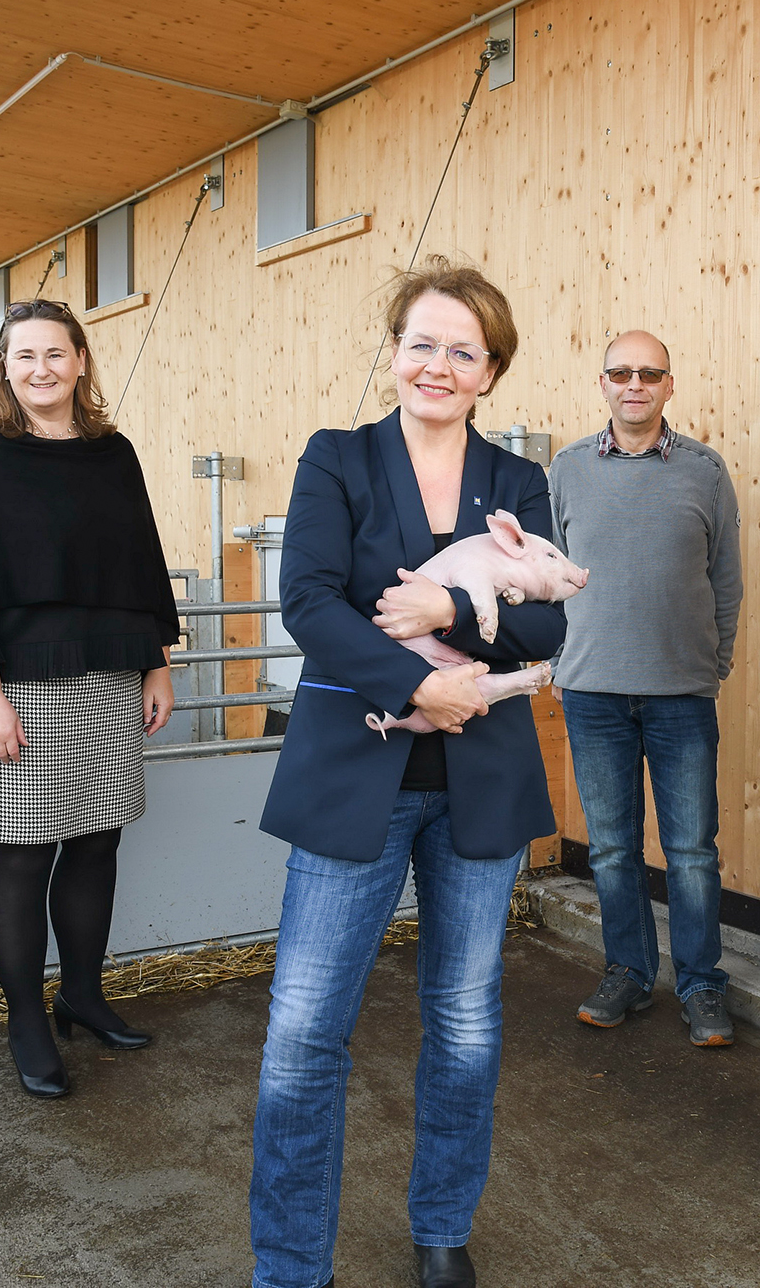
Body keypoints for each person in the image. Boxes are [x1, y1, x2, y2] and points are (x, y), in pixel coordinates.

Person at [251, 257, 566, 1288]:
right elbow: (306, 602)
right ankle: (292, 1265)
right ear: (393, 353)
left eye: (461, 351)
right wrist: (416, 680)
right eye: (420, 342)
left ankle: (440, 1226)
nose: (437, 364)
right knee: (304, 1031)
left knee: (465, 1021)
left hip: (478, 781)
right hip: (358, 771)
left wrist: (442, 615)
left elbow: (550, 615)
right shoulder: (336, 458)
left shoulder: (518, 482)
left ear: (489, 371)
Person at [0, 299, 180, 1100]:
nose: (41, 369)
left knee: (98, 841)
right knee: (24, 853)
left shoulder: (114, 455)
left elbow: (141, 569)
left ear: (81, 360)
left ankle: (83, 993)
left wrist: (158, 666)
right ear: (5, 367)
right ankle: (26, 1015)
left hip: (107, 679)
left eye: (55, 354)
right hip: (15, 687)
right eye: (23, 356)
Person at [548, 330, 743, 1046]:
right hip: (592, 694)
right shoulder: (566, 470)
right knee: (610, 848)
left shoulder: (705, 471)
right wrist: (562, 661)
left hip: (681, 693)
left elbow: (726, 577)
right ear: (602, 384)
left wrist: (713, 662)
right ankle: (628, 971)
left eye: (649, 373)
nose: (635, 384)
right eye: (620, 372)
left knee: (691, 849)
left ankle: (700, 985)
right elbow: (544, 576)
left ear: (669, 385)